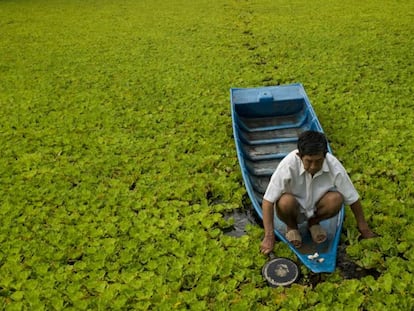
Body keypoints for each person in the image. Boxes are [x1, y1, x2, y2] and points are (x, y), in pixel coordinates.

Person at [260, 130, 376, 254]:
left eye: (318, 161)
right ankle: (292, 227)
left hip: (317, 208)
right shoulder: (288, 165)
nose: (314, 166)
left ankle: (313, 223)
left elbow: (353, 198)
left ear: (325, 156)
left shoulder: (333, 165)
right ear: (299, 156)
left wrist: (363, 228)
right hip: (292, 208)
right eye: (309, 161)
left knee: (336, 199)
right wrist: (269, 236)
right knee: (284, 202)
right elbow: (268, 201)